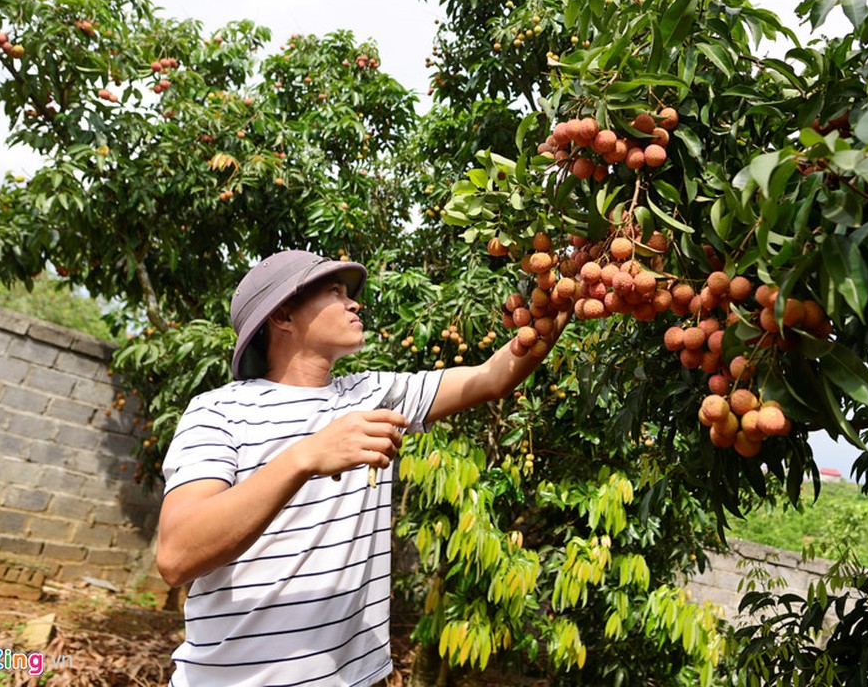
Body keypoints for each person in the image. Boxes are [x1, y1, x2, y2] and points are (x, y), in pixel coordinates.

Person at [156, 249, 565, 686]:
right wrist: (305, 457)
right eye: (333, 292)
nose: (353, 303)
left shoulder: (373, 394)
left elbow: (492, 377)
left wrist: (565, 292)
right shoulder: (219, 410)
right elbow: (177, 556)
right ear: (282, 316)